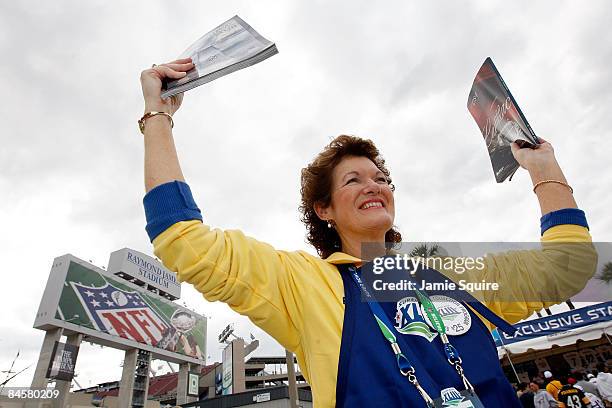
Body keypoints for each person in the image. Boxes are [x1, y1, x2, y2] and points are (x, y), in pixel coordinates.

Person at [138, 60, 597, 407]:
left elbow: (569, 268)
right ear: (324, 210)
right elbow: (180, 238)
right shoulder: (303, 285)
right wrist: (157, 117)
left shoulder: (446, 271)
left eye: (379, 178)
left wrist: (544, 168)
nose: (373, 185)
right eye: (353, 180)